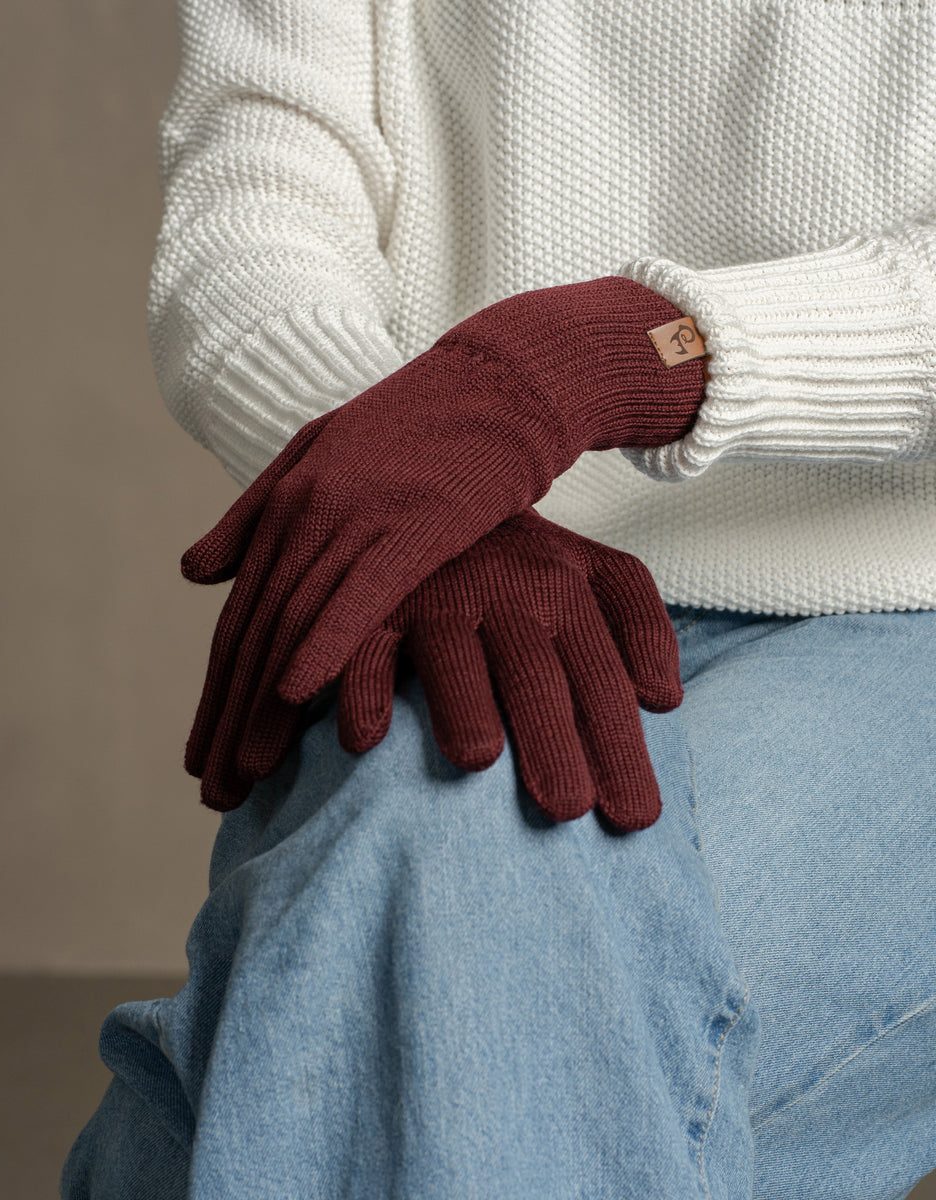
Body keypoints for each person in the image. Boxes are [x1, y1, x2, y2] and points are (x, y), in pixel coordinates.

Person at [61, 0, 936, 1196]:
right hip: (477, 579)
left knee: (340, 1026)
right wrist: (420, 493)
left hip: (908, 610)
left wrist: (630, 351)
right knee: (457, 898)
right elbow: (257, 191)